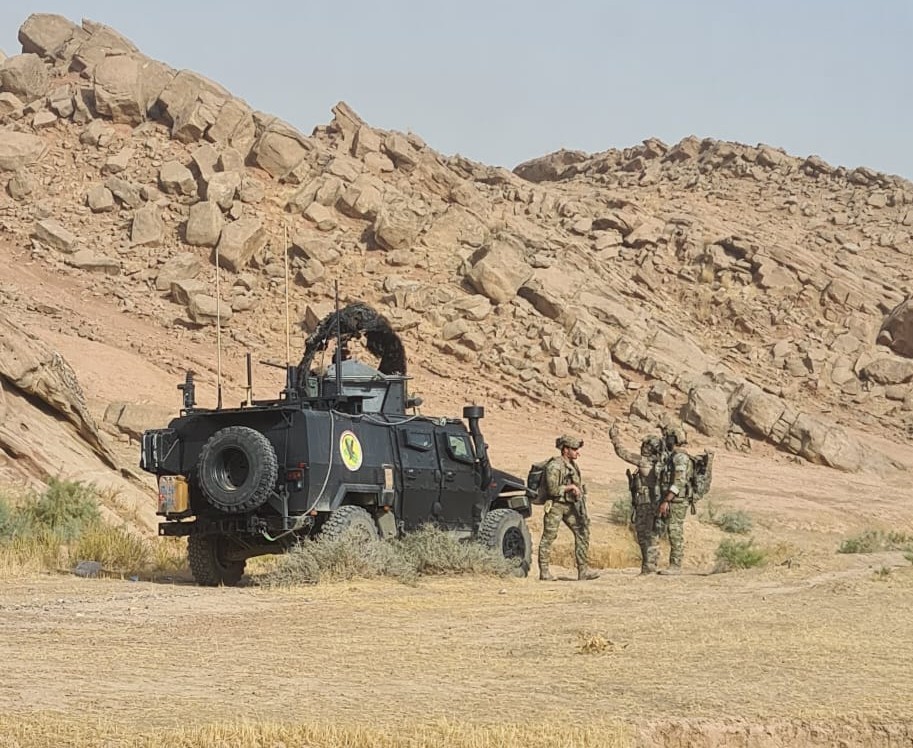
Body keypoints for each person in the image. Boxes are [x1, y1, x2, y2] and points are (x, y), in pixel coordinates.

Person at [537, 435, 599, 581]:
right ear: (565, 450)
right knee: (549, 537)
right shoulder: (554, 466)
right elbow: (552, 490)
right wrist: (569, 487)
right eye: (575, 449)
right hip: (556, 506)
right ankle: (544, 572)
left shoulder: (572, 465)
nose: (578, 453)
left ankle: (583, 571)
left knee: (583, 532)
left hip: (571, 506)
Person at [609, 421, 663, 574]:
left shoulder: (643, 461)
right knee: (653, 535)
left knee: (644, 535)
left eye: (645, 445)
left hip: (645, 503)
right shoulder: (661, 463)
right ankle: (651, 566)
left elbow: (622, 453)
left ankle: (648, 567)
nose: (642, 447)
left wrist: (615, 438)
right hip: (656, 503)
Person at [656, 424, 694, 575]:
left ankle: (675, 566)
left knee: (674, 530)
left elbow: (679, 482)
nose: (666, 440)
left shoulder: (680, 458)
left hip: (677, 501)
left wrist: (666, 500)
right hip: (674, 500)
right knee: (670, 530)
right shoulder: (673, 456)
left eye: (668, 438)